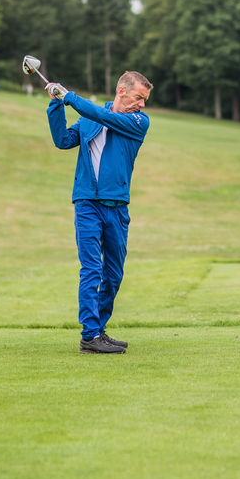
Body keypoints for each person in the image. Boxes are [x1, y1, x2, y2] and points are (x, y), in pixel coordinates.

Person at [45, 71, 153, 354]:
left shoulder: (138, 121)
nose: (142, 104)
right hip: (87, 205)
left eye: (144, 100)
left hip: (117, 207)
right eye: (139, 97)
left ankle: (99, 330)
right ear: (122, 91)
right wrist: (56, 104)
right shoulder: (90, 118)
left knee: (113, 274)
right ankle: (90, 335)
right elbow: (63, 140)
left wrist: (69, 97)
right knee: (91, 268)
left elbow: (104, 117)